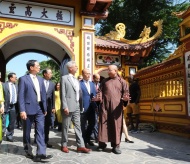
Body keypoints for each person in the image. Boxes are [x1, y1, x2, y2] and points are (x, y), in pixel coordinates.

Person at [18, 60, 52, 162]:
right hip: (28, 109)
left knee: (40, 130)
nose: (39, 67)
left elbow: (43, 95)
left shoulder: (41, 79)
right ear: (31, 68)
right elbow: (21, 96)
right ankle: (28, 149)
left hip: (39, 109)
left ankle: (41, 153)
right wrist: (22, 110)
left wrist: (44, 108)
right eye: (37, 65)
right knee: (27, 131)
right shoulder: (23, 79)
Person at [94, 65, 130, 154]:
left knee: (116, 127)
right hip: (105, 107)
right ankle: (102, 144)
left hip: (116, 108)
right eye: (108, 70)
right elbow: (100, 92)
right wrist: (99, 99)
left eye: (109, 70)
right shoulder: (104, 81)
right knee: (103, 125)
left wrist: (125, 100)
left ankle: (116, 146)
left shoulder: (122, 82)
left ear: (115, 71)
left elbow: (126, 94)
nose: (108, 72)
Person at [60, 60, 91, 153]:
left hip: (77, 105)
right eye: (75, 66)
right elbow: (63, 94)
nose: (77, 67)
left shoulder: (77, 80)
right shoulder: (64, 78)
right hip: (68, 106)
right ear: (70, 68)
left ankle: (80, 145)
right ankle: (64, 145)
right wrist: (65, 106)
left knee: (78, 126)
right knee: (66, 126)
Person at [80, 69, 97, 147]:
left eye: (89, 74)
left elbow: (95, 95)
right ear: (83, 74)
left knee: (92, 124)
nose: (88, 75)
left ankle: (87, 138)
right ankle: (84, 141)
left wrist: (96, 104)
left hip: (92, 107)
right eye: (87, 73)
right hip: (83, 107)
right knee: (83, 125)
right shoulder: (79, 83)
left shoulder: (92, 84)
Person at [2, 72, 18, 142]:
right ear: (10, 78)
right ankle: (1, 134)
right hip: (5, 106)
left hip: (13, 106)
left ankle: (9, 136)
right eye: (15, 77)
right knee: (3, 121)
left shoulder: (16, 86)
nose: (16, 78)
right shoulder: (3, 85)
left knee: (12, 122)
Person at [42, 68, 55, 148]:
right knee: (39, 123)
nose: (51, 74)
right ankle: (38, 139)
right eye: (50, 73)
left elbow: (53, 96)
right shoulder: (39, 82)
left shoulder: (52, 84)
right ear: (45, 74)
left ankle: (46, 141)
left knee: (47, 124)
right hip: (40, 106)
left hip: (49, 106)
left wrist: (53, 107)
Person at [91, 73, 101, 142]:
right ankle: (96, 136)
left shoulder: (100, 85)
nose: (98, 80)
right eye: (97, 78)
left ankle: (95, 135)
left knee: (97, 121)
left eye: (99, 79)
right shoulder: (90, 85)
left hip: (99, 105)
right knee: (94, 121)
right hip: (92, 105)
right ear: (93, 78)